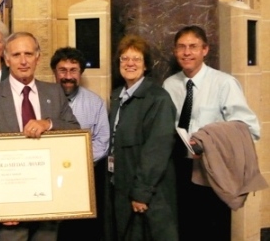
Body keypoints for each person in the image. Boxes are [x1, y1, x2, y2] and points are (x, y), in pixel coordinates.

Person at [0, 32, 80, 241]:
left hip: (49, 200)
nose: (23, 61)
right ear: (7, 59)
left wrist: (48, 123)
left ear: (38, 57)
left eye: (28, 54)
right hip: (10, 206)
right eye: (16, 55)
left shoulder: (54, 92)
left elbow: (74, 131)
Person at [163, 25, 260, 241]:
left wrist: (210, 141)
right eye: (181, 47)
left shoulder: (224, 83)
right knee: (185, 229)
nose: (187, 52)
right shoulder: (170, 85)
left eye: (193, 47)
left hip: (213, 169)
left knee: (213, 230)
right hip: (180, 168)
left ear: (205, 50)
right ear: (175, 51)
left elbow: (248, 127)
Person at [104, 34, 178, 241]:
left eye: (136, 59)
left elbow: (157, 149)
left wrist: (141, 193)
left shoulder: (157, 98)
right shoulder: (117, 96)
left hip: (147, 191)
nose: (130, 64)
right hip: (120, 183)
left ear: (145, 65)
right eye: (124, 59)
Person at [49, 46, 109, 241]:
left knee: (80, 232)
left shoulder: (95, 103)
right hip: (48, 178)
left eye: (73, 70)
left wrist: (76, 162)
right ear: (54, 72)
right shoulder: (41, 99)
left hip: (83, 178)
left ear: (81, 73)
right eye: (62, 70)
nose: (68, 76)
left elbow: (102, 141)